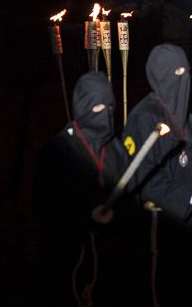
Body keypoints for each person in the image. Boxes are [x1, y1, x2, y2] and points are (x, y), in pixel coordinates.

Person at [121, 44, 192, 303]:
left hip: (191, 235)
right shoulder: (144, 118)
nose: (183, 79)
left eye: (187, 71)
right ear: (160, 75)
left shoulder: (191, 125)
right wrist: (189, 197)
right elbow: (141, 177)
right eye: (176, 71)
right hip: (158, 234)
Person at [36, 71, 128, 306]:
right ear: (83, 106)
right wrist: (84, 217)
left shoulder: (116, 149)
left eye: (110, 107)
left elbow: (128, 197)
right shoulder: (59, 149)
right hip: (70, 258)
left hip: (110, 259)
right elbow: (46, 205)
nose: (105, 114)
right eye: (97, 107)